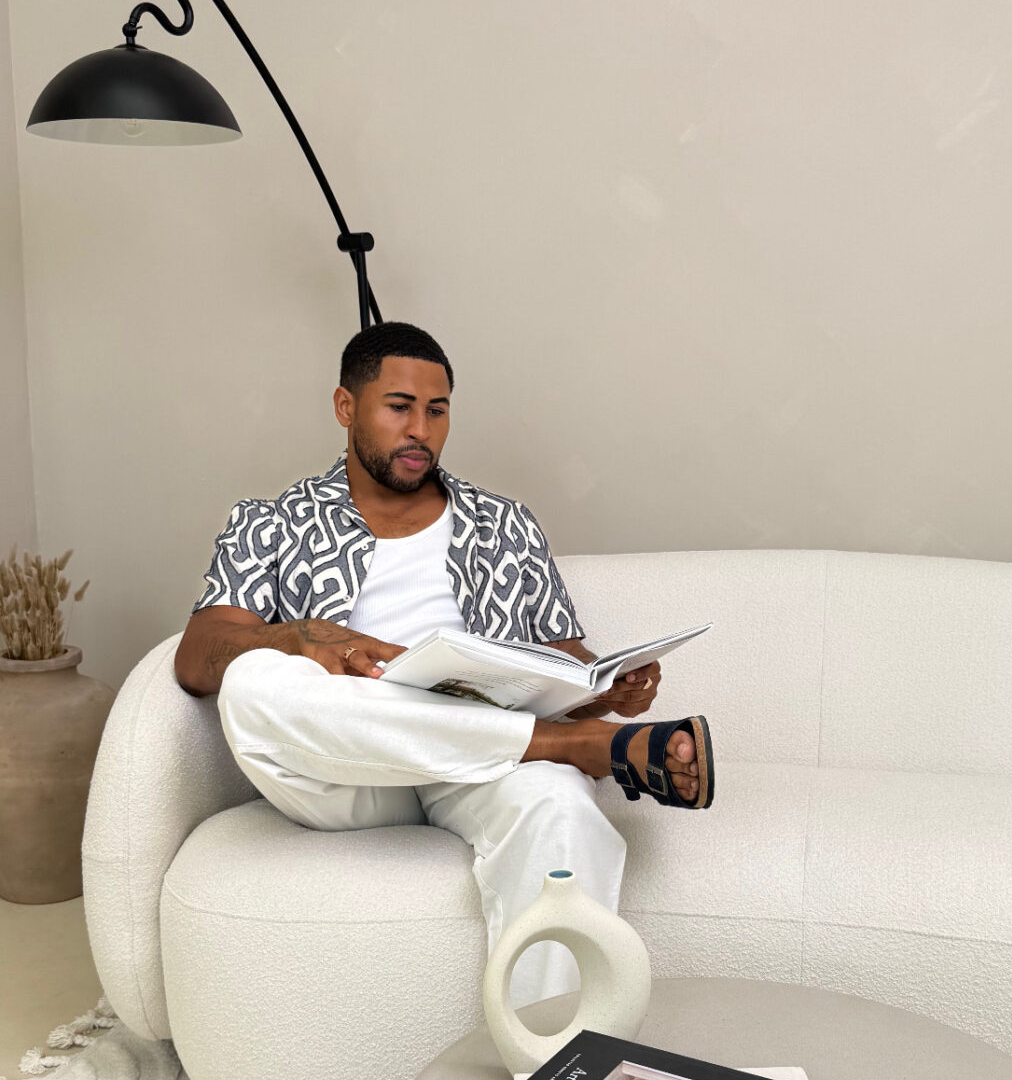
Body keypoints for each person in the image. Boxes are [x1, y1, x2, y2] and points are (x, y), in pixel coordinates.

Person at [173, 321, 714, 1002]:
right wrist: (297, 637)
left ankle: (553, 1058)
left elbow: (561, 654)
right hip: (349, 771)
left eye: (437, 411)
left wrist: (605, 689)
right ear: (346, 407)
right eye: (399, 407)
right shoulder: (270, 523)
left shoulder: (504, 523)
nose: (420, 431)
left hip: (481, 765)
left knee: (561, 809)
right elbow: (198, 658)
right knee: (253, 681)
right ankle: (573, 745)